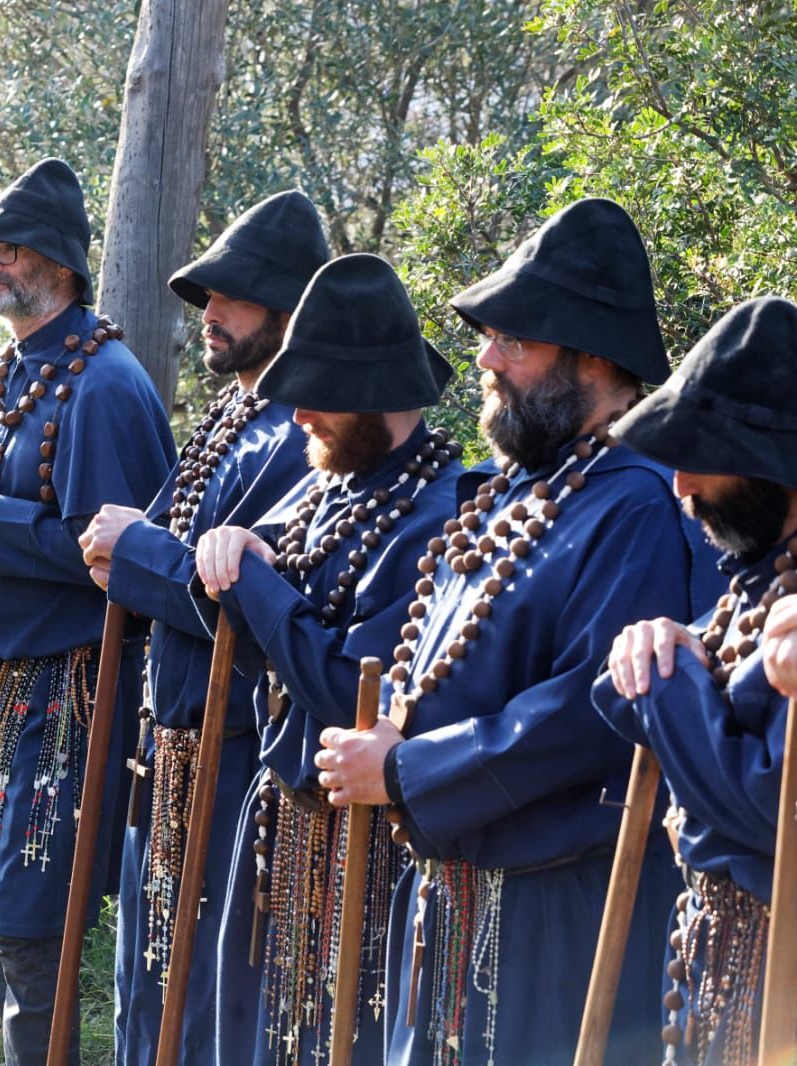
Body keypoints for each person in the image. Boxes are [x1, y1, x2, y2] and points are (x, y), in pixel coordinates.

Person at [313, 198, 692, 1064]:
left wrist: (404, 768)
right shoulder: (520, 489)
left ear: (592, 357)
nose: (484, 359)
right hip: (459, 894)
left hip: (556, 914)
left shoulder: (635, 503)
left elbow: (591, 713)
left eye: (513, 341)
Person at [0, 157, 176, 1064]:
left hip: (67, 687)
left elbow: (110, 558)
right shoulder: (3, 373)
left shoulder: (106, 386)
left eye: (10, 248)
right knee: (4, 900)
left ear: (60, 265)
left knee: (30, 909)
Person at [184, 254, 463, 1066]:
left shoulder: (436, 514)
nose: (298, 411)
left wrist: (255, 580)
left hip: (362, 852)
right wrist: (239, 549)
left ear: (379, 394)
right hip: (279, 821)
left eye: (320, 392)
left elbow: (352, 690)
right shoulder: (333, 481)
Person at [74, 190, 330, 1064]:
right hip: (175, 748)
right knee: (149, 978)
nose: (209, 315)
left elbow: (242, 599)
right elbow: (138, 553)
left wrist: (137, 552)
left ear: (291, 314)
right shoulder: (233, 417)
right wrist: (130, 551)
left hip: (235, 754)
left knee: (209, 995)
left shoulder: (304, 436)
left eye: (231, 298)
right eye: (207, 299)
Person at [594, 296, 797, 1066]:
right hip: (719, 978)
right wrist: (658, 657)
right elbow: (618, 694)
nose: (680, 485)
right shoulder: (754, 582)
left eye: (699, 456)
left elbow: (770, 817)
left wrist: (667, 679)